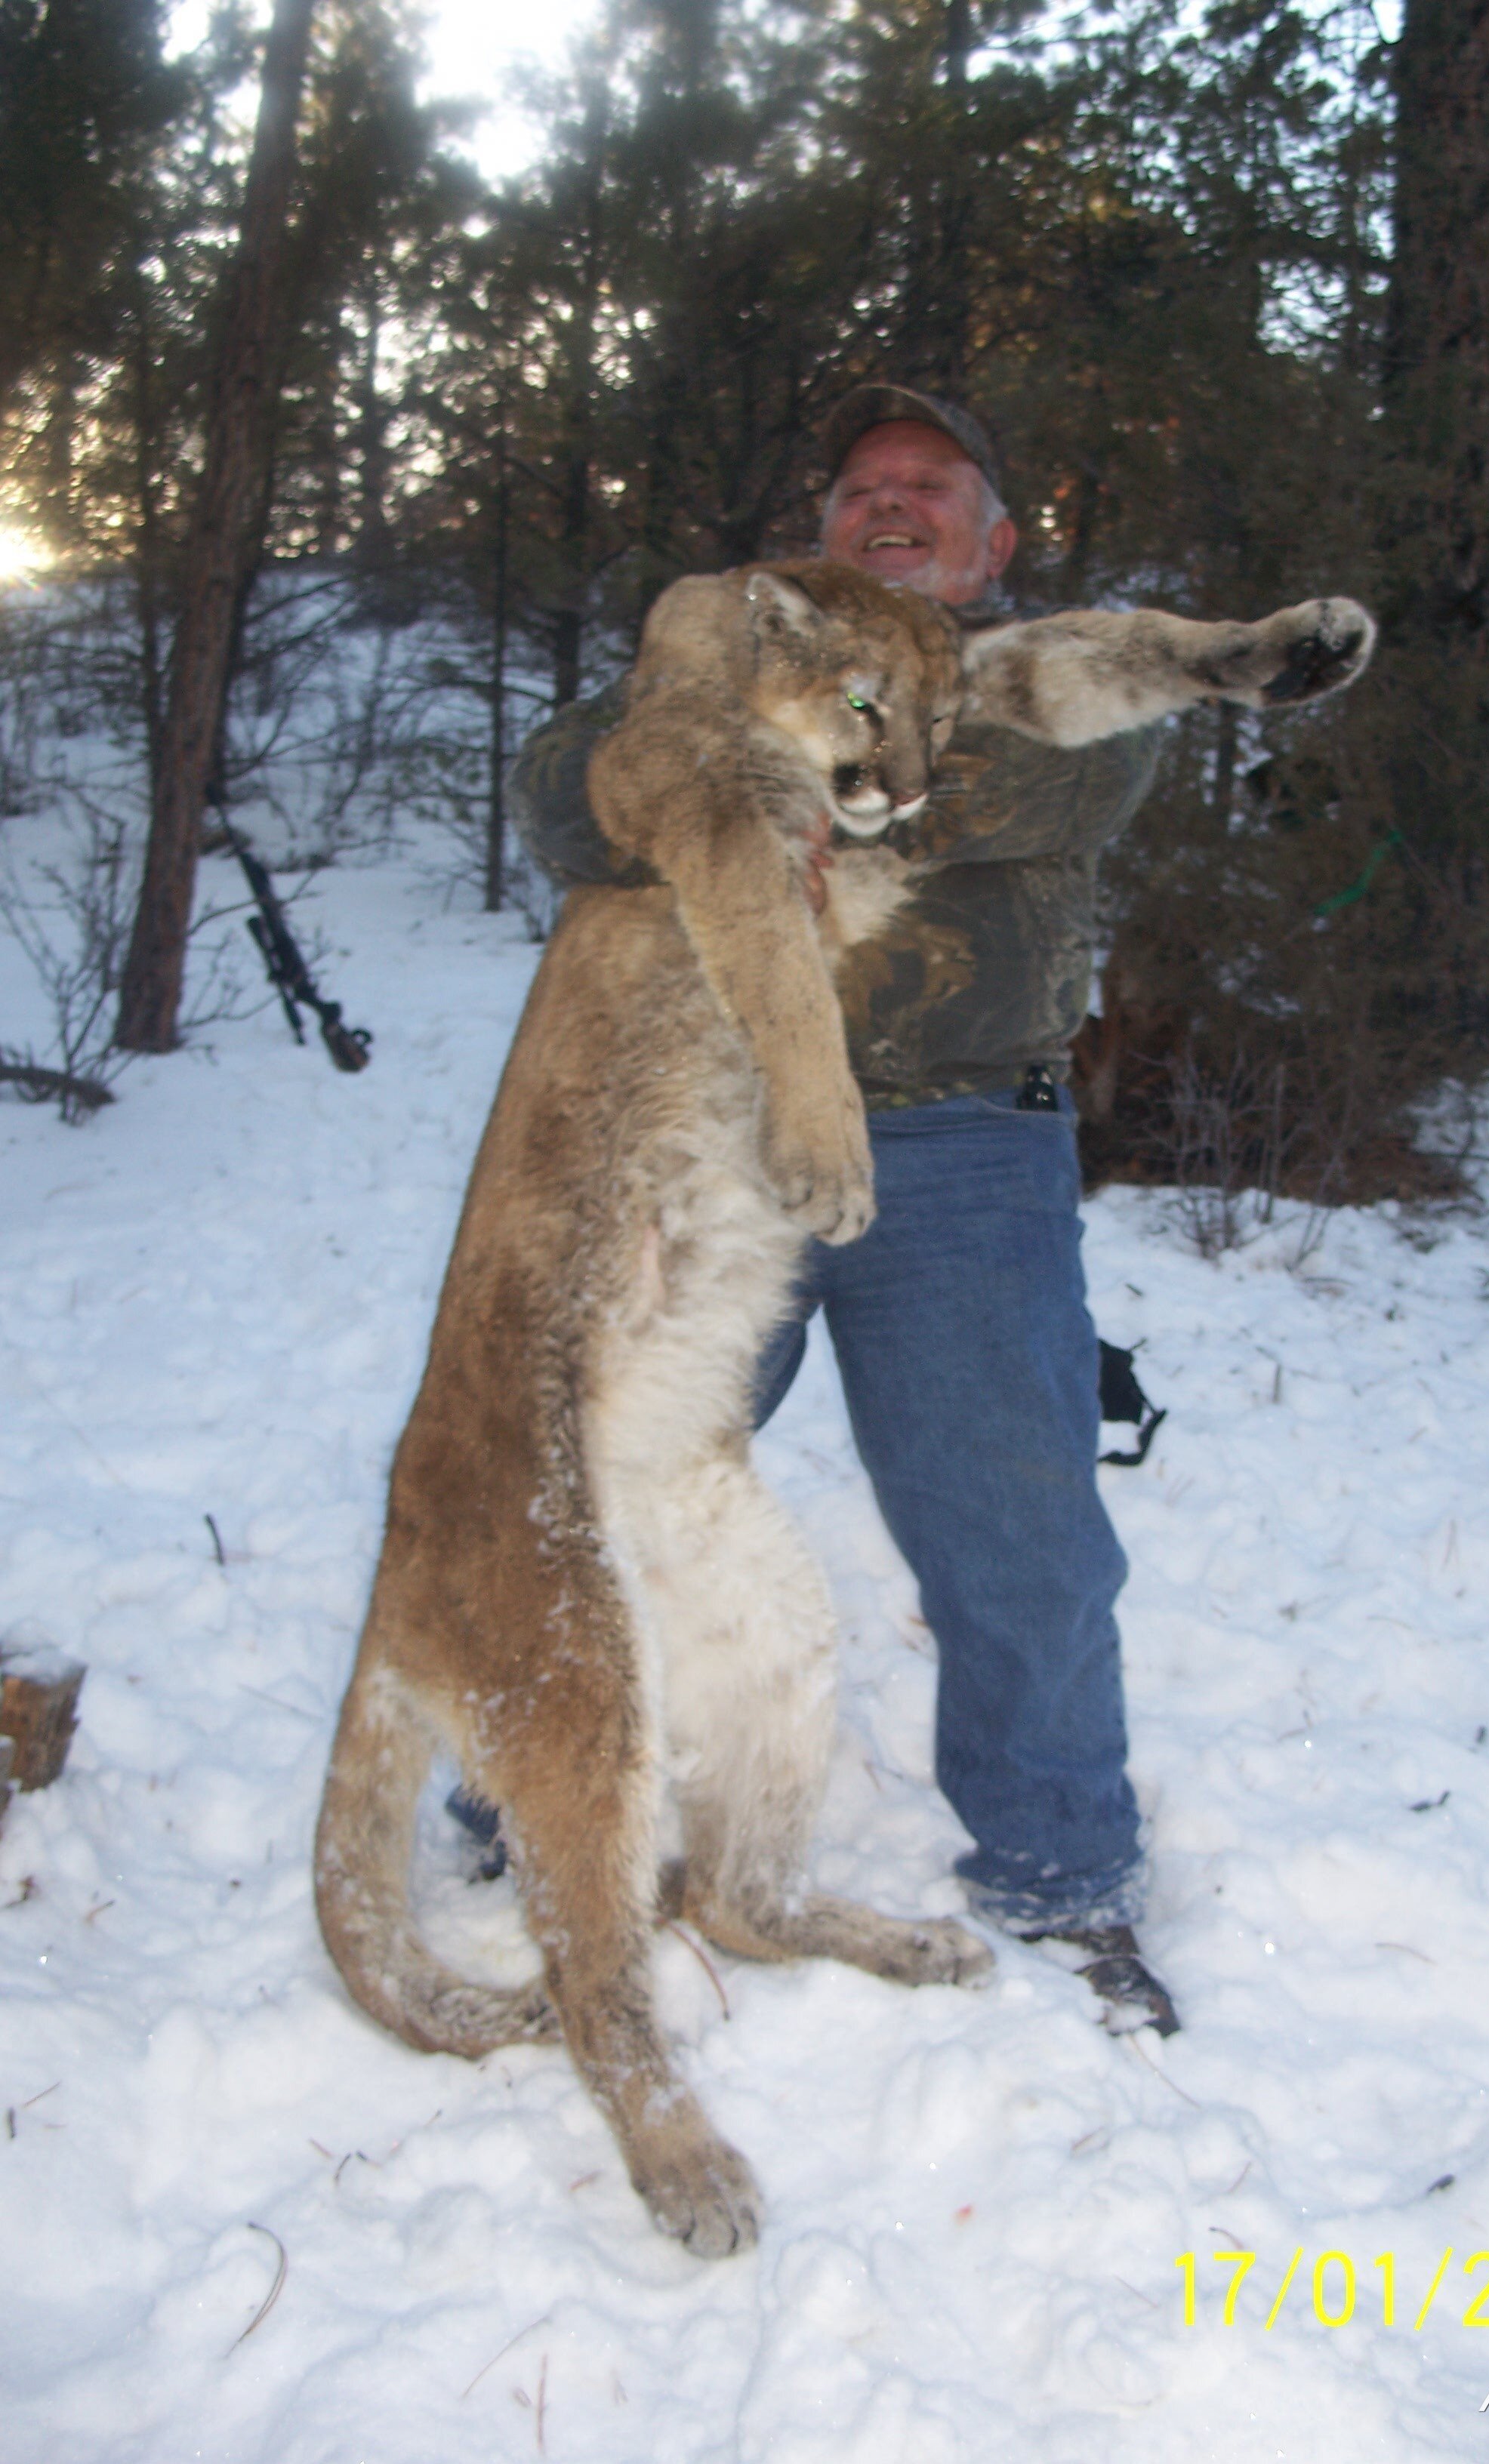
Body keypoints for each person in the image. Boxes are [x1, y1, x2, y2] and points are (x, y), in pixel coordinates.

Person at [506, 383, 1178, 2034]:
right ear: (821, 535)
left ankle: (1061, 1873)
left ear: (995, 540)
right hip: (707, 1134)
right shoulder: (712, 655)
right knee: (597, 1482)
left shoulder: (1085, 682)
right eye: (863, 486)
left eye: (934, 486)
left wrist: (718, 787)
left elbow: (960, 782)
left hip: (959, 1154)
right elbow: (554, 796)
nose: (892, 501)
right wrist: (700, 765)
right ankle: (516, 1815)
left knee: (1012, 1526)